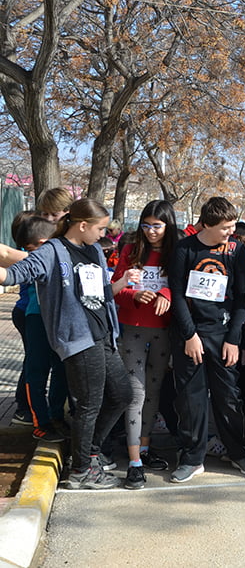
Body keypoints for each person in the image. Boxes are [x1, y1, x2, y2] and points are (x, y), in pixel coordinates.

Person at [0, 199, 134, 489]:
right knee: (90, 404)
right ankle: (82, 470)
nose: (103, 235)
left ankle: (90, 452)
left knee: (122, 394)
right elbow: (13, 275)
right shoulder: (52, 250)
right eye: (100, 228)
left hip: (103, 334)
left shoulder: (94, 250)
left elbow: (100, 294)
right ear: (82, 225)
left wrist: (121, 284)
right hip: (78, 339)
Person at [167, 196, 245, 483]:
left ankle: (237, 452)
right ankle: (192, 458)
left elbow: (242, 299)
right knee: (191, 399)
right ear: (206, 224)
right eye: (225, 227)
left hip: (223, 334)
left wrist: (233, 339)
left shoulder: (236, 250)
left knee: (228, 396)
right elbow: (177, 295)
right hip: (190, 334)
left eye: (232, 226)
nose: (230, 231)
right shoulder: (185, 249)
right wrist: (190, 335)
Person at [111, 200, 179, 489]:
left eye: (157, 226)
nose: (151, 231)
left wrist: (165, 292)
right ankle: (134, 461)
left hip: (163, 331)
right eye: (146, 225)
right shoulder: (130, 250)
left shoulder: (177, 252)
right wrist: (133, 296)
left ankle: (146, 448)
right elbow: (115, 288)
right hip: (133, 329)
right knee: (135, 394)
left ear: (168, 226)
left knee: (154, 391)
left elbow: (184, 284)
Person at [12, 217, 67, 443]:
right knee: (37, 370)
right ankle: (40, 422)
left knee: (62, 368)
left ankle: (56, 415)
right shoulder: (34, 259)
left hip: (60, 319)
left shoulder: (57, 253)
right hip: (36, 317)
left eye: (30, 249)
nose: (28, 254)